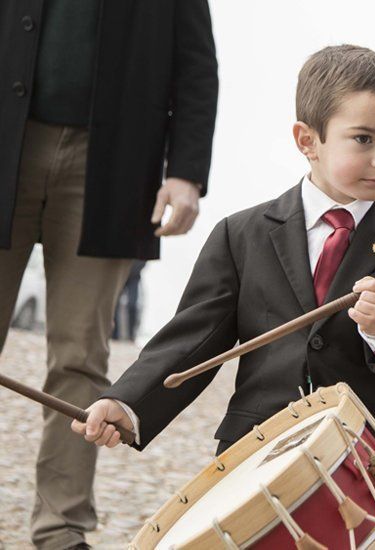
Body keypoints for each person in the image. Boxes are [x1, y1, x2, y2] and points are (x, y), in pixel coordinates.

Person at [70, 45, 375, 479]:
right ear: (307, 140)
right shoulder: (240, 234)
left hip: (365, 458)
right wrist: (127, 401)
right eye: (364, 139)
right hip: (254, 451)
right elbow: (192, 339)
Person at [0, 2, 218, 548]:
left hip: (113, 165)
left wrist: (187, 171)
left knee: (80, 353)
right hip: (7, 145)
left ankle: (60, 526)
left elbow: (196, 66)